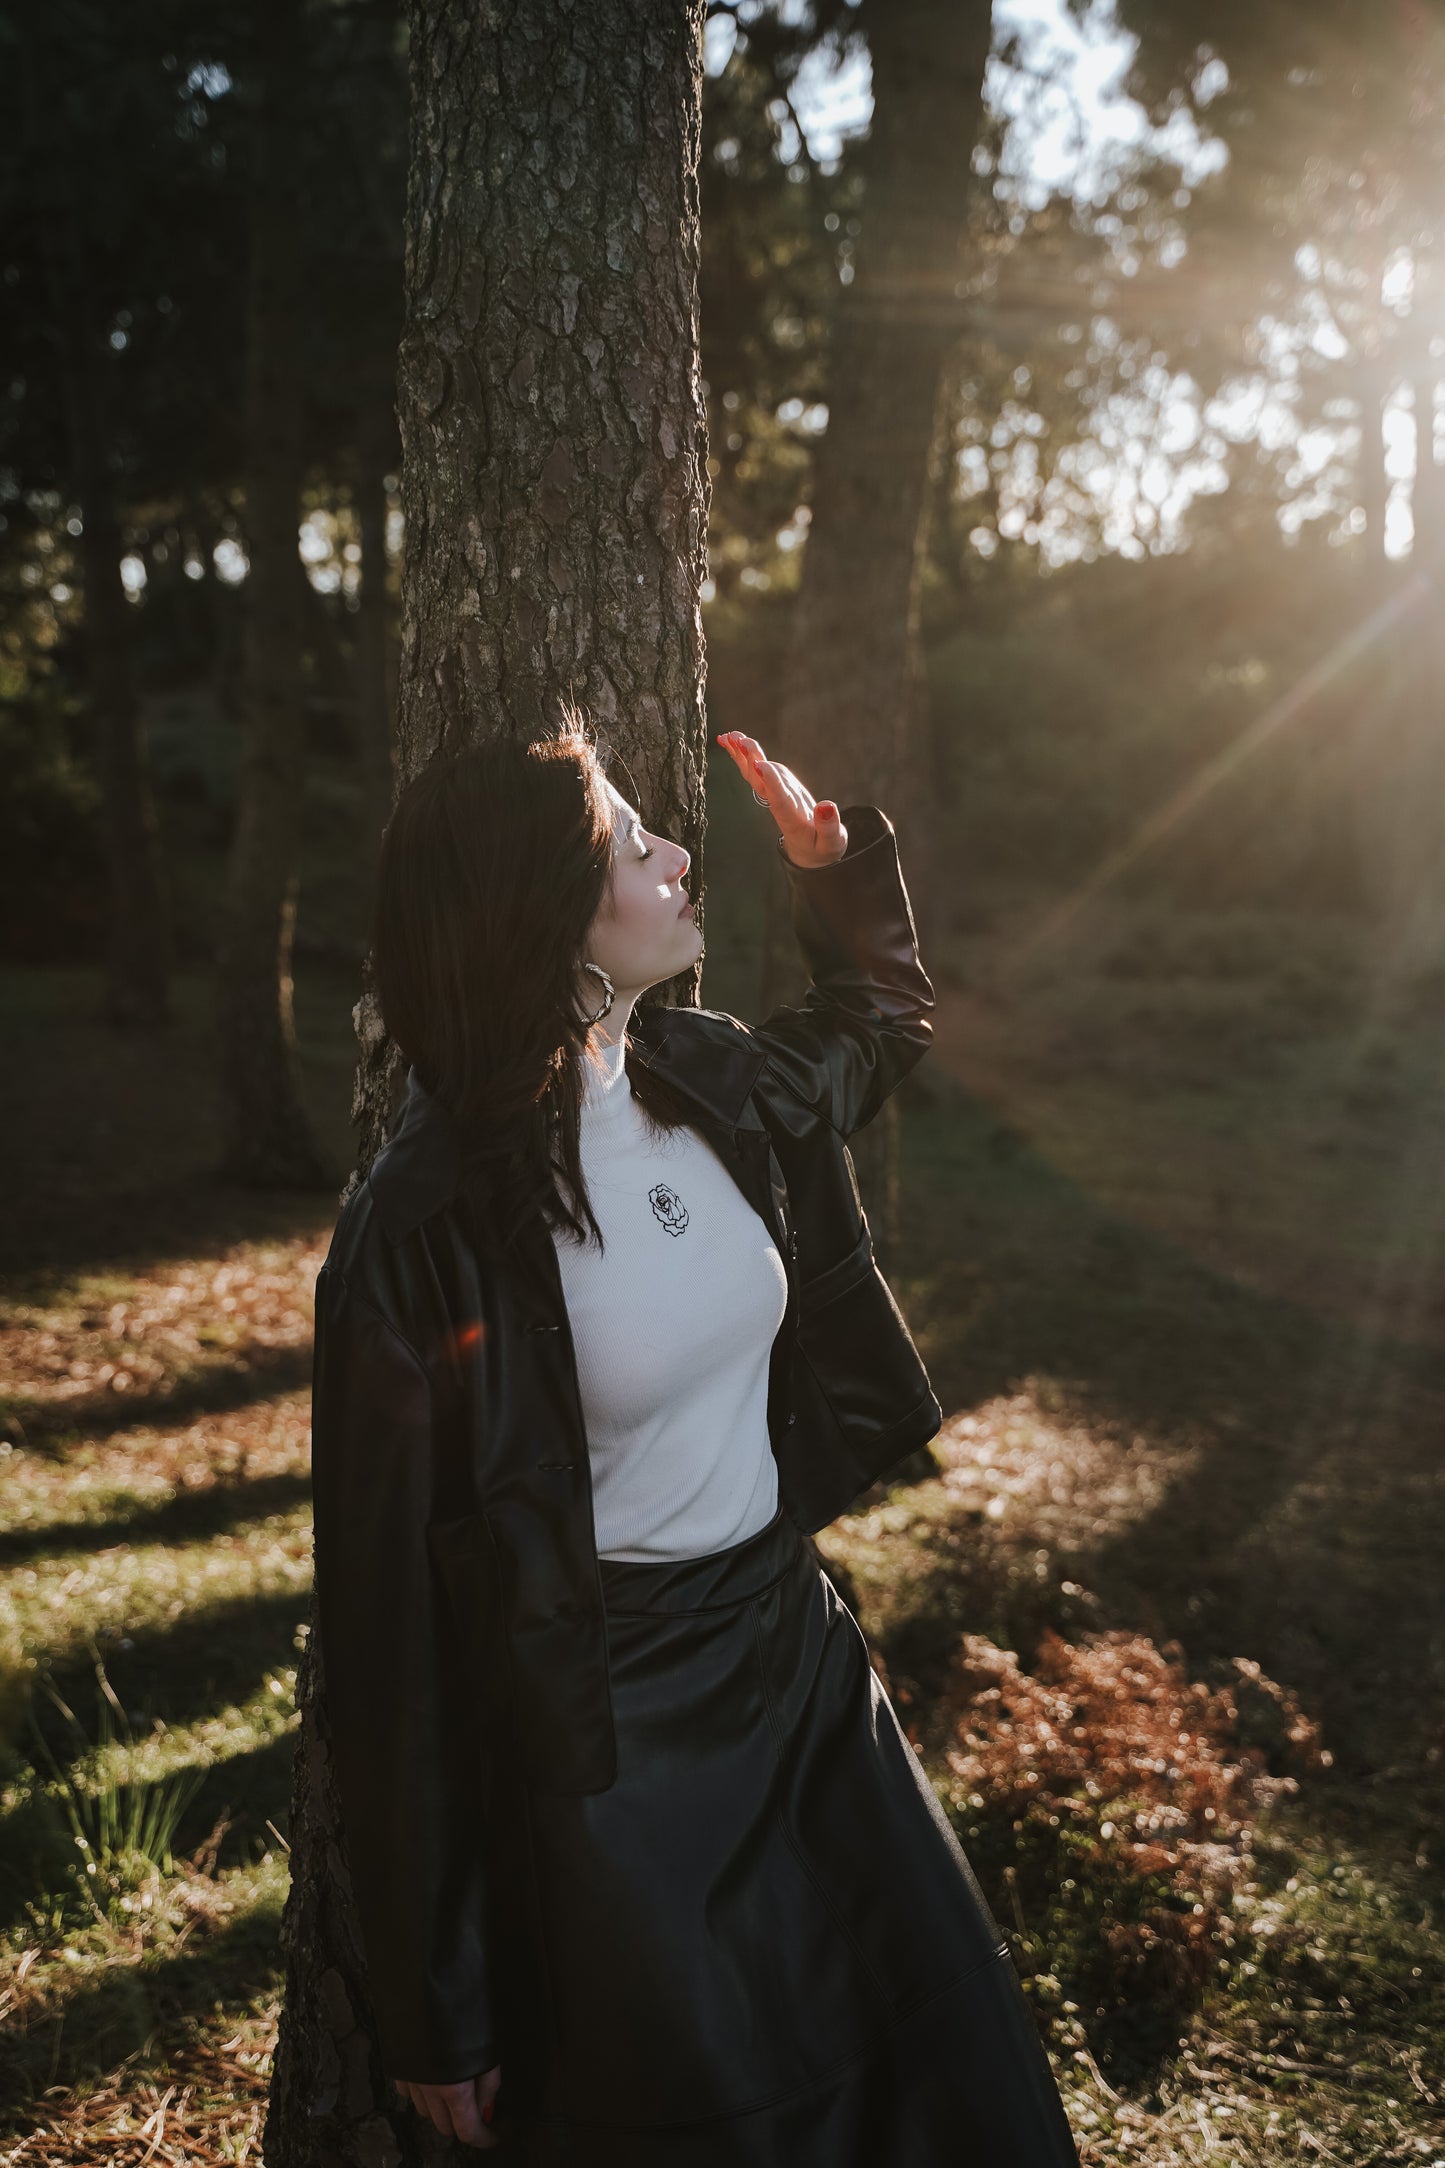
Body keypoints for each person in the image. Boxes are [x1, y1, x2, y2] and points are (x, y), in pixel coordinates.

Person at [308, 715, 1080, 2165]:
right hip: (608, 1755)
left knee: (947, 2090)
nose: (675, 859)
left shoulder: (711, 1079)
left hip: (799, 1671)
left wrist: (835, 872)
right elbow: (385, 1644)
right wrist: (432, 2001)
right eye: (629, 842)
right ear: (541, 915)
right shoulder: (418, 1236)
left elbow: (877, 1021)